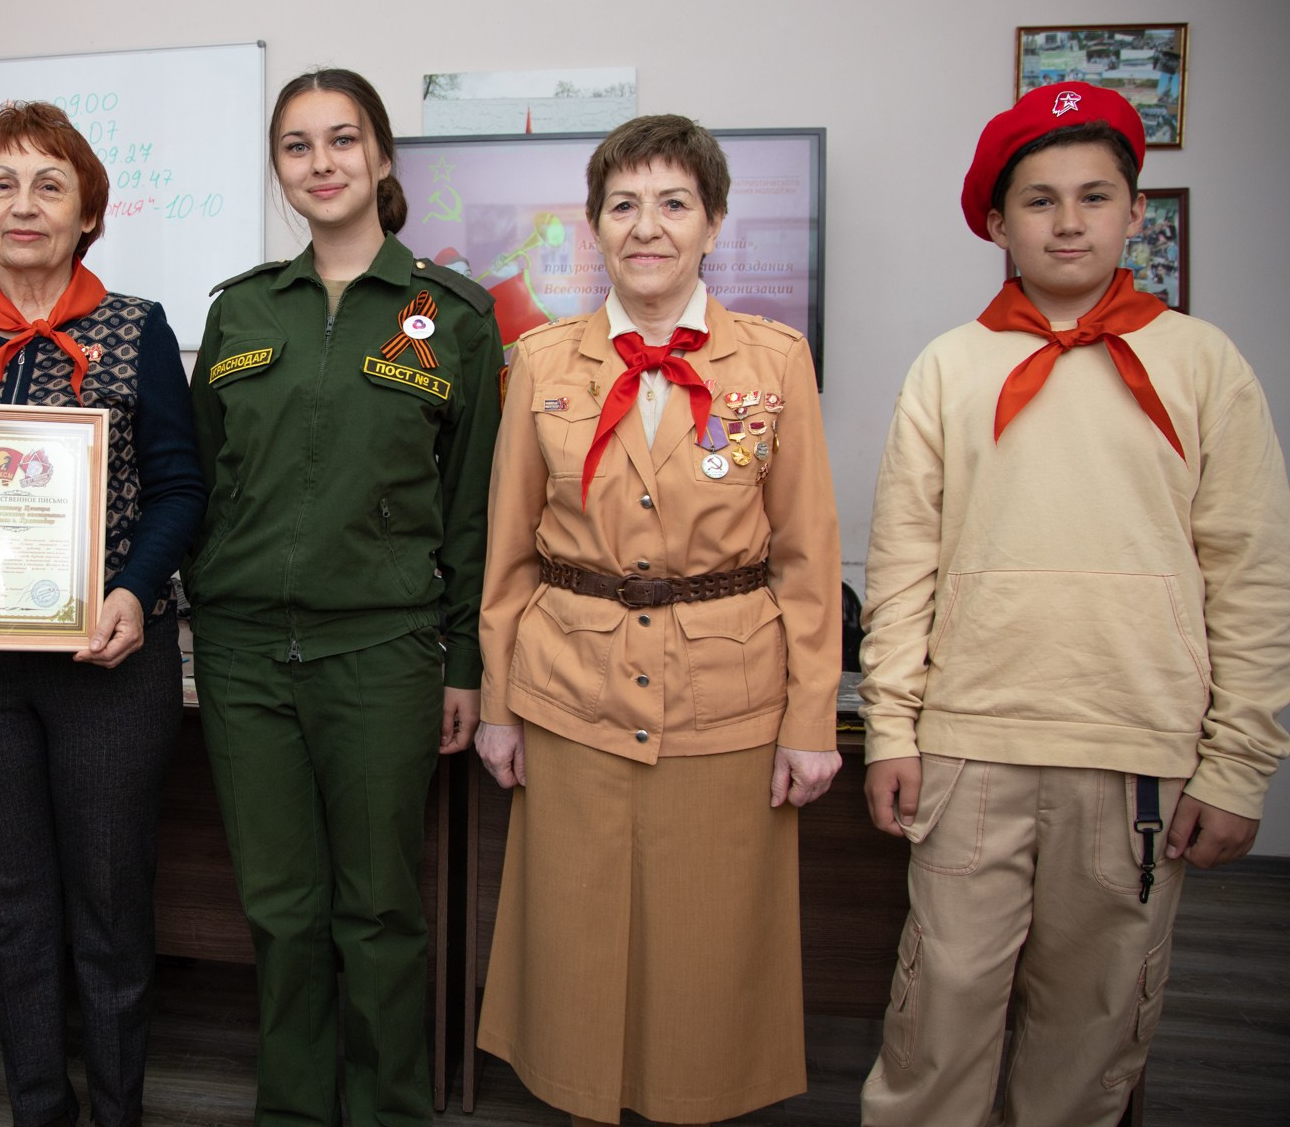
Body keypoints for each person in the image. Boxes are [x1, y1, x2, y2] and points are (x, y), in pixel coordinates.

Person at [857, 82, 1290, 1126]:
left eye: (1093, 197)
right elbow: (902, 562)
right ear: (997, 222)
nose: (1066, 220)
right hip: (969, 744)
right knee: (938, 1005)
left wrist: (1236, 762)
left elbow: (1249, 575)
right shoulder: (949, 368)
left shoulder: (1202, 364)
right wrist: (889, 729)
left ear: (1134, 212)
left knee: (1092, 1026)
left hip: (1133, 747)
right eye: (1038, 200)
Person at [473, 114, 842, 1127]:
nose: (648, 227)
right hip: (568, 687)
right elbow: (504, 557)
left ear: (712, 222)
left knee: (705, 939)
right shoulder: (541, 363)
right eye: (623, 204)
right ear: (592, 225)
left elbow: (806, 557)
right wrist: (499, 704)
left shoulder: (772, 364)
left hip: (725, 694)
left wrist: (811, 719)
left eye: (673, 203)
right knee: (575, 933)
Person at [185, 68, 501, 1127]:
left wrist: (461, 663)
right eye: (295, 146)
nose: (320, 163)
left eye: (340, 140)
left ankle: (387, 1113)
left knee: (377, 912)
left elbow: (471, 516)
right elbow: (197, 479)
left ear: (379, 158)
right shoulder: (239, 311)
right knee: (279, 912)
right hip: (240, 655)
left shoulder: (451, 317)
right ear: (278, 169)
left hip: (384, 655)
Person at [0, 100, 205, 1127]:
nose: (24, 204)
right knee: (11, 907)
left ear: (86, 214)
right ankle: (40, 1108)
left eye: (49, 184)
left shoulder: (136, 328)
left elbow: (178, 489)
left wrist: (129, 588)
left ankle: (114, 1111)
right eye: (2, 184)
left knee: (111, 906)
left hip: (110, 660)